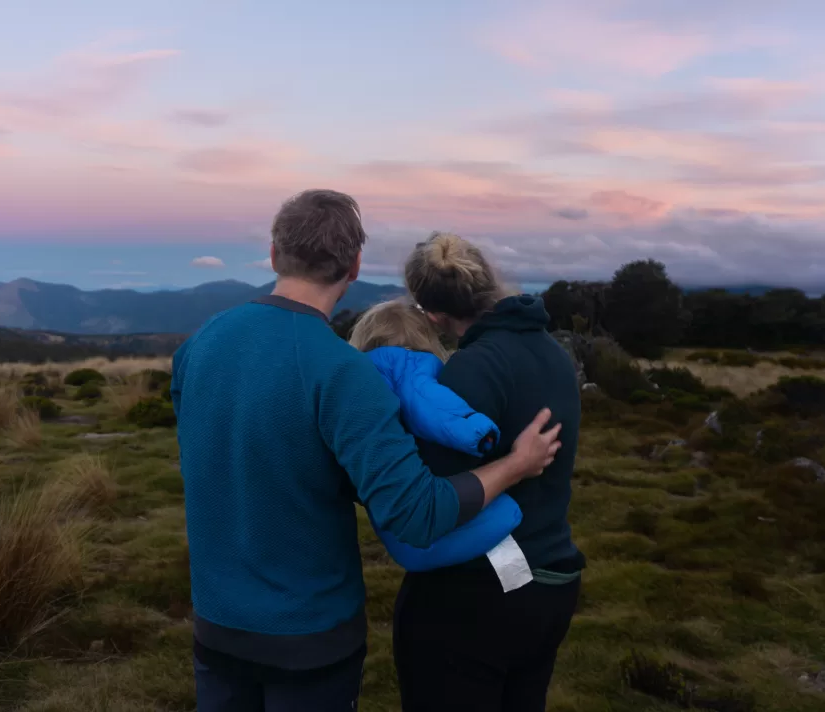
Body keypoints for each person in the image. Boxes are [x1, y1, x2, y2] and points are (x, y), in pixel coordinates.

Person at [171, 190, 563, 712]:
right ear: (354, 265)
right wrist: (516, 465)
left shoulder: (199, 345)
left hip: (216, 625)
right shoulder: (344, 373)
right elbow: (419, 513)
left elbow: (224, 448)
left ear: (273, 253)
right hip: (309, 638)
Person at [392, 232, 586, 712]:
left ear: (433, 314)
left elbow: (435, 505)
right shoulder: (552, 354)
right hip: (552, 579)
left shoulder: (472, 369)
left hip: (480, 596)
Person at [348, 299, 523, 572]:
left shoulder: (353, 377)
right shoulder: (405, 363)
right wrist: (478, 433)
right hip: (428, 503)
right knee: (504, 518)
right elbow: (431, 406)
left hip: (386, 506)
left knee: (413, 549)